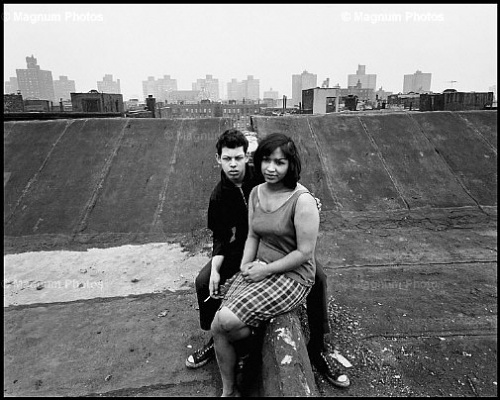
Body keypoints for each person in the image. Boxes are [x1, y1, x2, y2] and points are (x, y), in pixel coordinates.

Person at [185, 129, 349, 390]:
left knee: (318, 277)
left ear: (247, 157)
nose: (233, 165)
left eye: (238, 158)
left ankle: (318, 345)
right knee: (204, 281)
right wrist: (217, 267)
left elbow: (290, 188)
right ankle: (214, 340)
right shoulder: (219, 195)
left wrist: (310, 203)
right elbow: (221, 236)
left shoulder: (262, 175)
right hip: (244, 246)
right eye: (227, 159)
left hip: (281, 246)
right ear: (218, 159)